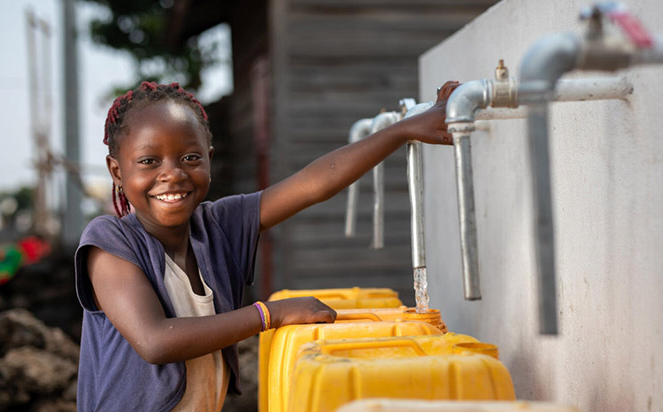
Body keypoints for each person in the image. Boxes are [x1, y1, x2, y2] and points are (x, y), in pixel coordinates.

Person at [74, 80, 459, 411]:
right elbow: (155, 341)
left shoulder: (219, 226)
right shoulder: (110, 242)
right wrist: (268, 315)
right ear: (117, 172)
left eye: (190, 157)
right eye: (148, 161)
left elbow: (312, 184)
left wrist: (400, 131)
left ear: (209, 159)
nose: (172, 174)